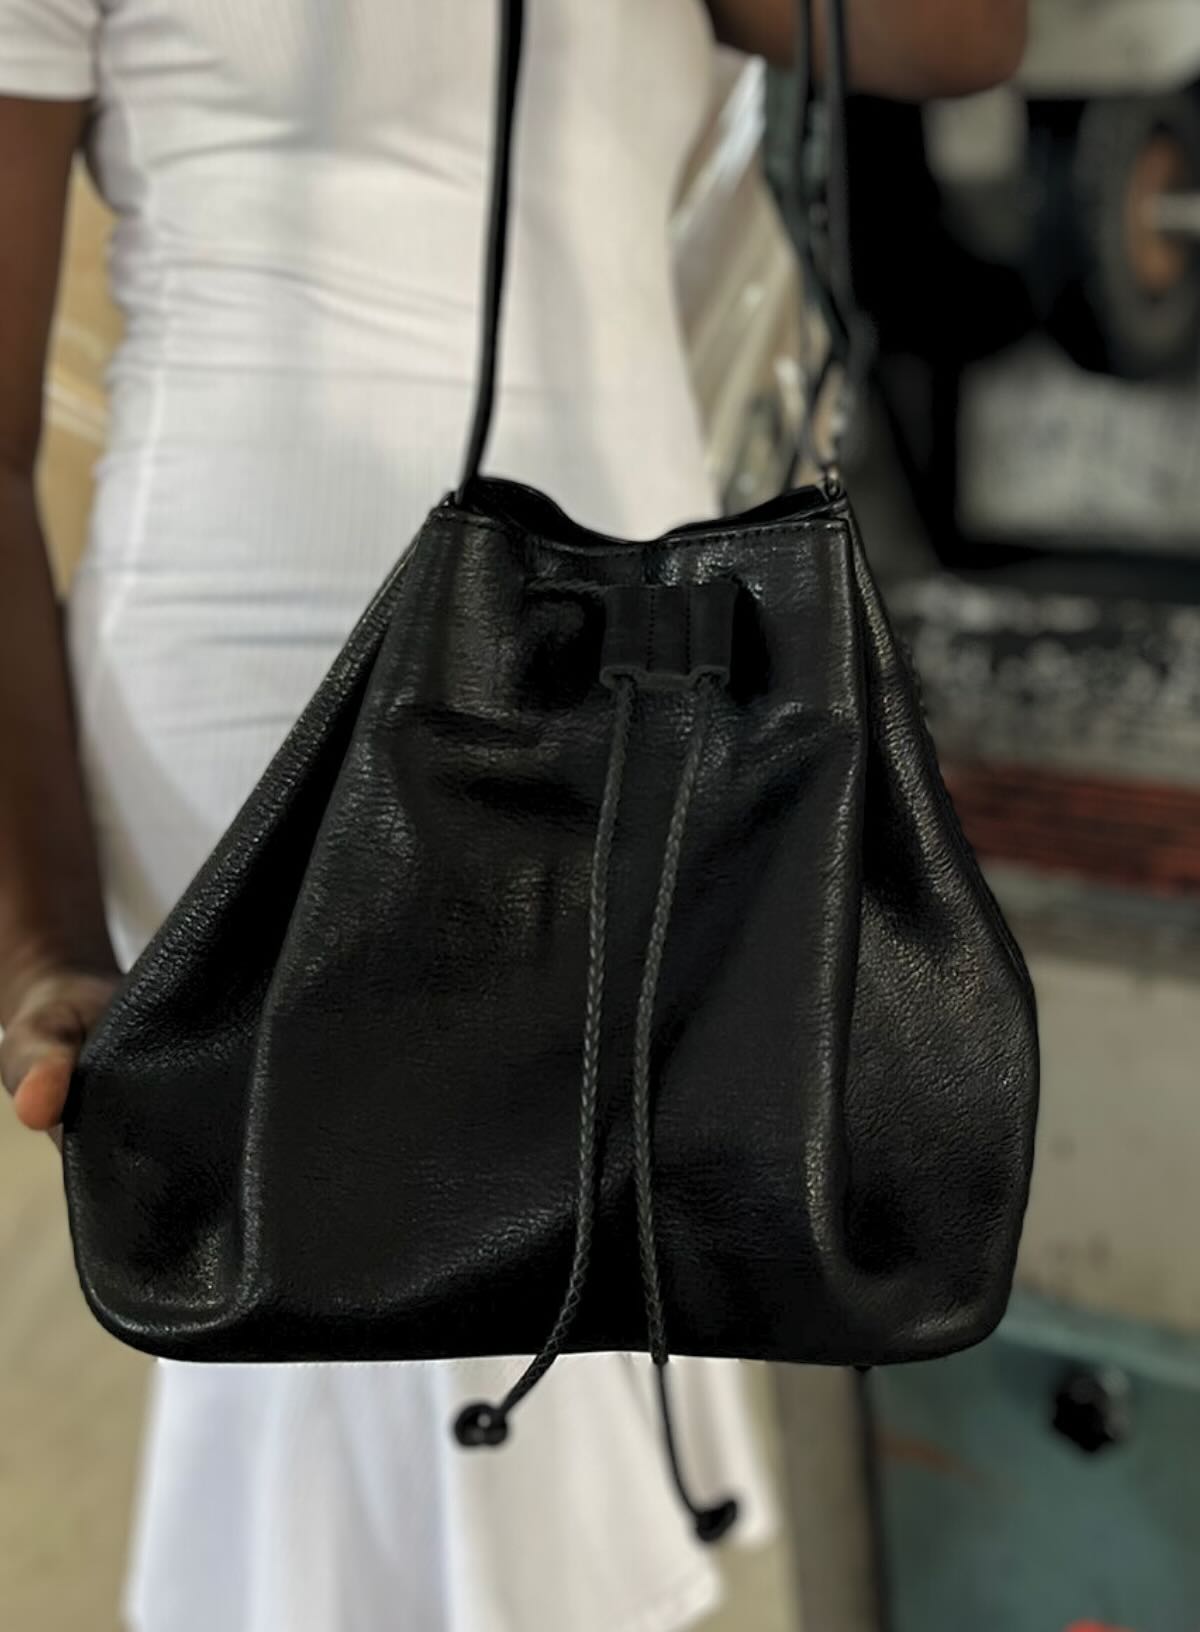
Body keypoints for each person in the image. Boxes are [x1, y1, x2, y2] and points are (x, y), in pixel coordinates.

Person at [0, 3, 1028, 1629]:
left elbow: (957, 34)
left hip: (662, 634)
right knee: (360, 1271)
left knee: (620, 1225)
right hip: (263, 649)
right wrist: (40, 940)